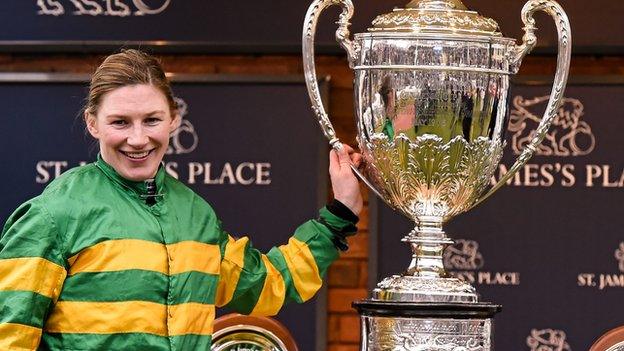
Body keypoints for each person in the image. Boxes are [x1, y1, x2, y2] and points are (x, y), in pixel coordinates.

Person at [0, 49, 363, 350]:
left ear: (174, 120)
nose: (139, 139)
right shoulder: (52, 215)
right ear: (93, 123)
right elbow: (9, 337)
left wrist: (339, 213)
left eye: (152, 120)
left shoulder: (195, 215)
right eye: (120, 122)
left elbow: (268, 285)